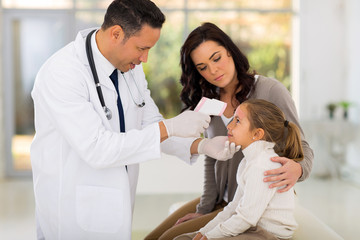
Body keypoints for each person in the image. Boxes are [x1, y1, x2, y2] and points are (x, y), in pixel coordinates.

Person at [30, 3, 239, 240]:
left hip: (116, 203)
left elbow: (149, 124)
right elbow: (97, 148)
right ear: (116, 34)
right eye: (142, 48)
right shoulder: (63, 73)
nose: (145, 58)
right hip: (71, 212)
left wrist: (200, 146)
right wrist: (169, 127)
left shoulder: (130, 68)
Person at [145, 22, 313, 240]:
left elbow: (302, 145)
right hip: (225, 201)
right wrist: (204, 209)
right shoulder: (209, 101)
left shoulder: (270, 90)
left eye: (216, 58)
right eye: (202, 67)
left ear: (230, 52)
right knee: (155, 237)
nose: (213, 70)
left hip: (255, 202)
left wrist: (298, 170)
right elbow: (211, 159)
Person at [175, 99, 304, 240]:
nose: (229, 126)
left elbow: (246, 218)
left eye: (237, 121)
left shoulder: (261, 166)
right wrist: (203, 232)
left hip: (267, 235)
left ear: (257, 134)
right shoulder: (247, 162)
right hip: (250, 229)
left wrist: (209, 237)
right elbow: (233, 207)